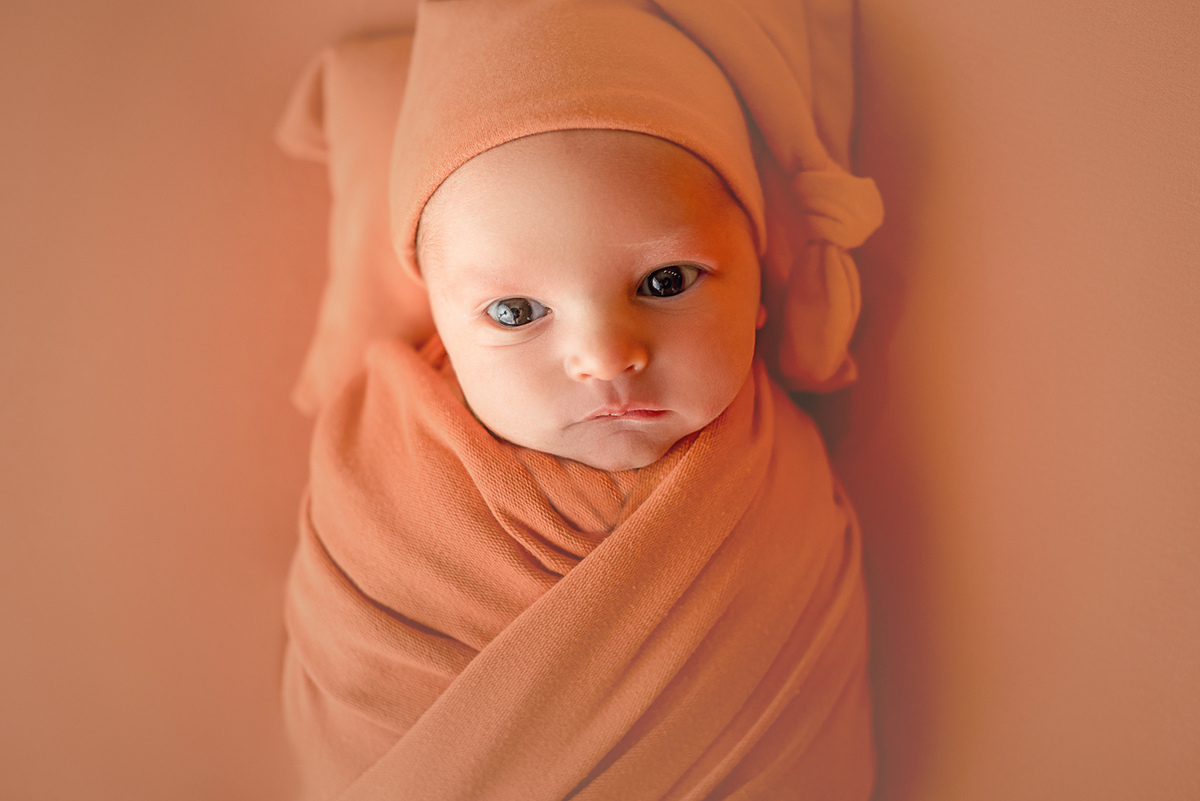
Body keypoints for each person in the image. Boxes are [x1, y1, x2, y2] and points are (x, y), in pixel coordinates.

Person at [280, 1, 884, 799]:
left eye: (666, 281)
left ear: (761, 287)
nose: (606, 358)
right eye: (516, 312)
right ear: (442, 329)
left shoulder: (783, 490)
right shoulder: (373, 493)